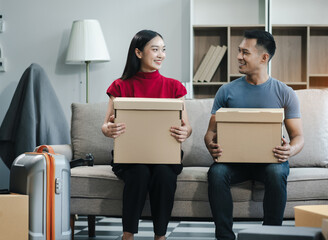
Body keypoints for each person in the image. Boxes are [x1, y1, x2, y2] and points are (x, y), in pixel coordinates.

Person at [204, 30, 304, 240]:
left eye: (245, 52)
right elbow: (210, 132)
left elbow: (298, 137)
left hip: (269, 162)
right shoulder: (226, 91)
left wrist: (290, 150)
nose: (239, 56)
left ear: (264, 57)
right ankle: (224, 237)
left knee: (277, 173)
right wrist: (210, 144)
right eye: (239, 51)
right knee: (216, 173)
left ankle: (269, 235)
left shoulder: (284, 92)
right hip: (233, 162)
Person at [102, 30, 192, 240]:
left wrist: (184, 131)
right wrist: (109, 129)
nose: (161, 54)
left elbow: (187, 127)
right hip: (130, 157)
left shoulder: (174, 87)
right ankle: (128, 235)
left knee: (163, 175)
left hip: (166, 157)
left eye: (163, 49)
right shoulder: (120, 86)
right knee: (139, 173)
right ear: (138, 53)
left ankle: (160, 236)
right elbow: (105, 125)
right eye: (155, 49)